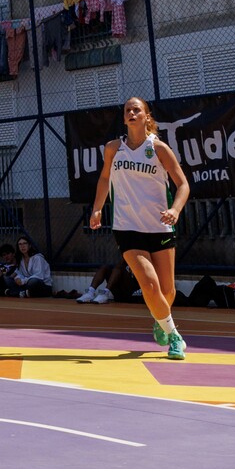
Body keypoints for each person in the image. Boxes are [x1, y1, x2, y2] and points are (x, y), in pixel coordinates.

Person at [89, 96, 191, 361]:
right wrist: (97, 208)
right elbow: (104, 178)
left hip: (159, 226)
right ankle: (175, 336)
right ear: (124, 118)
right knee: (149, 283)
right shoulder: (113, 148)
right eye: (127, 110)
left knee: (167, 292)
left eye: (137, 109)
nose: (132, 112)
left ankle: (161, 320)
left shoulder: (159, 149)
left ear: (147, 117)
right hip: (127, 227)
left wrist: (175, 210)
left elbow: (183, 185)